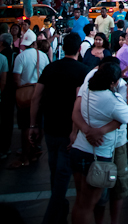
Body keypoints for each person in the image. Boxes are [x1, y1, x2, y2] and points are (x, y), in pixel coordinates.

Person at [29, 33, 88, 224]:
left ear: (63, 48)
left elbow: (36, 98)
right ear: (79, 49)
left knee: (55, 171)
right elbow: (80, 105)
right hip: (68, 130)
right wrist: (76, 130)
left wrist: (34, 125)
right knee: (62, 176)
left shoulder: (50, 68)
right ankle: (51, 218)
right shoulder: (83, 71)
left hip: (50, 127)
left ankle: (60, 211)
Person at [70, 61, 128, 224]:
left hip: (79, 149)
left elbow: (75, 112)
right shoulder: (112, 100)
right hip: (97, 155)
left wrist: (88, 130)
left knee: (80, 202)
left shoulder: (89, 90)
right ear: (112, 82)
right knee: (88, 204)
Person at [11, 29, 50, 168]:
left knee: (25, 126)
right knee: (39, 124)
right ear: (35, 43)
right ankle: (35, 151)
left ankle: (25, 157)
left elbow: (16, 79)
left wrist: (24, 87)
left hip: (25, 96)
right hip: (41, 94)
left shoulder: (20, 57)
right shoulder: (43, 56)